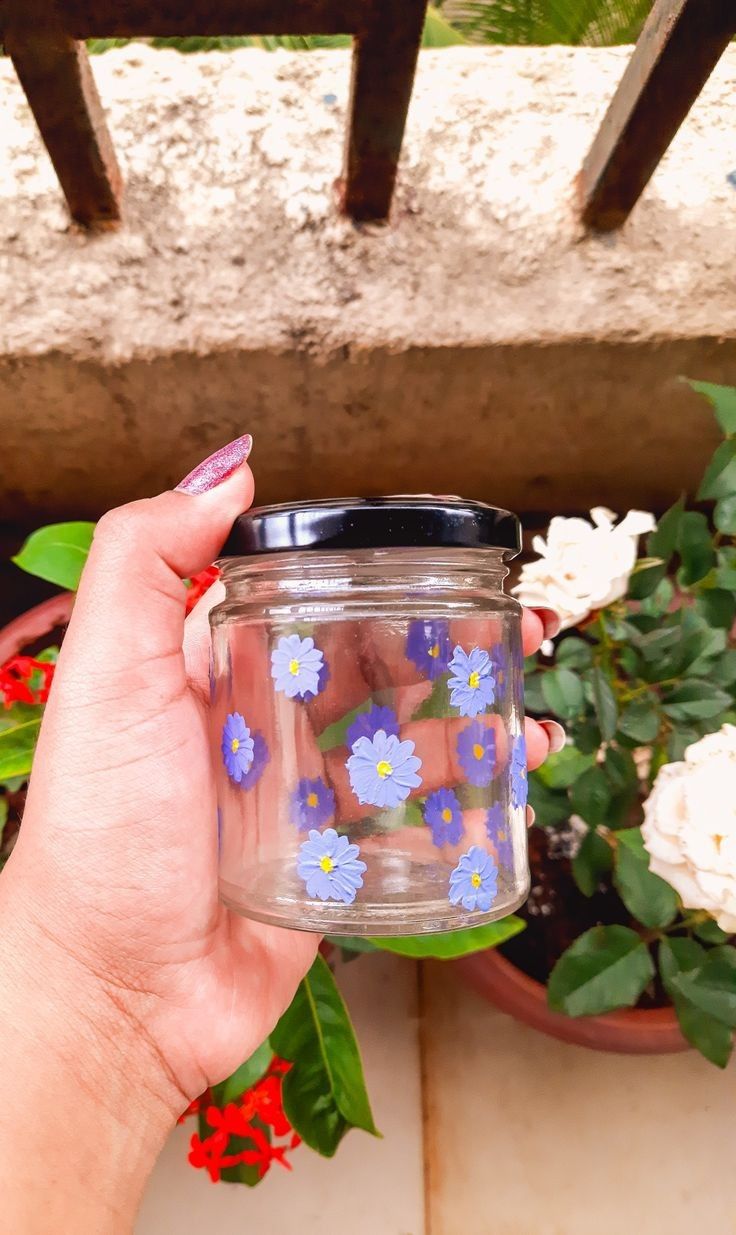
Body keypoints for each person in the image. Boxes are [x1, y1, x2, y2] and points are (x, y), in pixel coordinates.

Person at [0, 436, 563, 1232]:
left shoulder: (470, 607)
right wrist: (100, 991)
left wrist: (104, 1017)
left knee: (474, 754)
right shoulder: (257, 618)